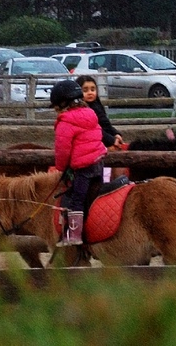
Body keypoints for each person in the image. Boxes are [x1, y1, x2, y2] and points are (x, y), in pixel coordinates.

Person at [51, 78, 105, 246]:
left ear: (62, 104)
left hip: (83, 167)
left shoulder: (65, 122)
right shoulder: (90, 113)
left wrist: (60, 167)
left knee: (77, 199)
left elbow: (63, 149)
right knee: (94, 195)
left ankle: (74, 235)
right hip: (98, 162)